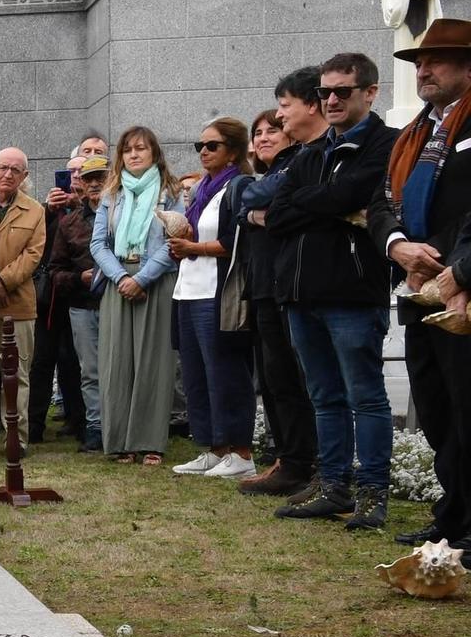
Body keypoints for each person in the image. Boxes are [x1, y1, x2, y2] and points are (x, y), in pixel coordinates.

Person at [268, 52, 397, 530]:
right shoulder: (311, 152)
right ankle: (334, 485)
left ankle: (372, 493)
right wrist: (326, 205)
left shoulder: (386, 145)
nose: (333, 99)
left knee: (365, 396)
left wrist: (319, 202)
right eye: (326, 92)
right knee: (324, 396)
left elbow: (353, 196)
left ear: (370, 92)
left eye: (343, 90)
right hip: (302, 293)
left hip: (351, 291)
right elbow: (278, 216)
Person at [370, 20, 471, 550]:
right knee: (435, 410)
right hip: (419, 288)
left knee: (467, 407)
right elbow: (384, 203)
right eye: (417, 63)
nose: (423, 70)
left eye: (436, 61)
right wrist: (398, 247)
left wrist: (459, 267)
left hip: (462, 291)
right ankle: (452, 517)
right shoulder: (415, 132)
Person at [235, 75, 321, 498]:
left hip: (291, 282)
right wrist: (256, 212)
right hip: (263, 286)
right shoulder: (259, 178)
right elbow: (245, 202)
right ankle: (287, 456)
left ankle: (304, 461)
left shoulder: (300, 162)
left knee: (294, 377)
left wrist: (263, 209)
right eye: (259, 132)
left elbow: (273, 202)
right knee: (273, 378)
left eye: (274, 124)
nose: (267, 135)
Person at [169, 120, 257, 479]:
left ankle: (241, 450)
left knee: (226, 373)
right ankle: (213, 448)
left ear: (233, 152)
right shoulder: (202, 189)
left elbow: (234, 242)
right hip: (188, 290)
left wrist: (193, 247)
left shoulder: (238, 186)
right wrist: (180, 245)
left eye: (213, 145)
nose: (204, 151)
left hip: (216, 292)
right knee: (195, 375)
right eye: (199, 145)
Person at [90, 126, 182, 465]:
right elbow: (98, 243)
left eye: (141, 148)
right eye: (127, 149)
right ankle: (120, 442)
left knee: (153, 362)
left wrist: (141, 278)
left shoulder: (171, 191)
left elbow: (175, 240)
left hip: (154, 281)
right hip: (117, 280)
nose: (133, 154)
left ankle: (150, 442)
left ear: (154, 153)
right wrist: (119, 277)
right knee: (116, 361)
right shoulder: (111, 193)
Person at [47, 154, 112, 450]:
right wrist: (79, 277)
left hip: (118, 300)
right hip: (83, 306)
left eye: (101, 176)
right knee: (90, 372)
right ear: (80, 184)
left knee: (121, 367)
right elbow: (54, 271)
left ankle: (121, 428)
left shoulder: (121, 215)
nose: (95, 183)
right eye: (88, 178)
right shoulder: (70, 223)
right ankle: (96, 428)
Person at [28, 156, 85, 445]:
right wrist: (49, 210)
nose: (74, 177)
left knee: (73, 360)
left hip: (79, 293)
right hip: (48, 296)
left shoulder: (93, 208)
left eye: (81, 172)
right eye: (71, 171)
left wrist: (78, 207)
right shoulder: (47, 209)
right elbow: (38, 241)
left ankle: (79, 420)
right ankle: (34, 425)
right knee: (41, 361)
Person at [0, 147, 43, 381]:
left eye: (15, 170)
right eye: (3, 168)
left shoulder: (35, 211)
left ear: (24, 176)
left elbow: (32, 255)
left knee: (17, 377)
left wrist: (3, 281)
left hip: (18, 305)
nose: (8, 174)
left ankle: (15, 421)